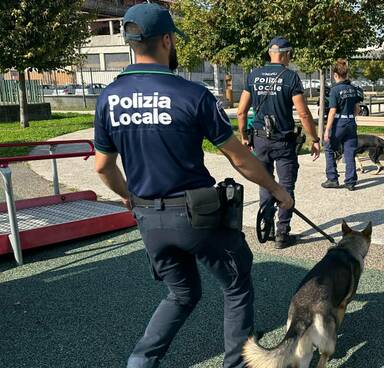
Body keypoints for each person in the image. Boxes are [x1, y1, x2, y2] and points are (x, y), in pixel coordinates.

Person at [93, 4, 294, 368]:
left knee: (181, 292)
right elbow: (240, 158)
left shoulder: (108, 98)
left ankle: (140, 362)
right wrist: (277, 190)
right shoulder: (193, 95)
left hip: (148, 218)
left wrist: (127, 197)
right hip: (196, 216)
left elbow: (103, 167)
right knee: (236, 285)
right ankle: (236, 364)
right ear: (167, 40)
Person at [237, 36, 321, 249]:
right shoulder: (290, 77)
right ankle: (283, 233)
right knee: (286, 185)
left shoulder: (254, 75)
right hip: (283, 142)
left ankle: (267, 227)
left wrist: (245, 137)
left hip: (260, 140)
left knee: (265, 182)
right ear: (285, 54)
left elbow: (241, 111)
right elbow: (302, 113)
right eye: (290, 55)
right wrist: (315, 139)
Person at [322, 59, 362, 191]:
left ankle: (332, 178)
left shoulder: (335, 90)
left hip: (339, 123)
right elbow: (358, 109)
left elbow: (332, 111)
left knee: (328, 147)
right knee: (350, 151)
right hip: (351, 122)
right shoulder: (353, 89)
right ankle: (350, 182)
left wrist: (327, 130)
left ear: (335, 75)